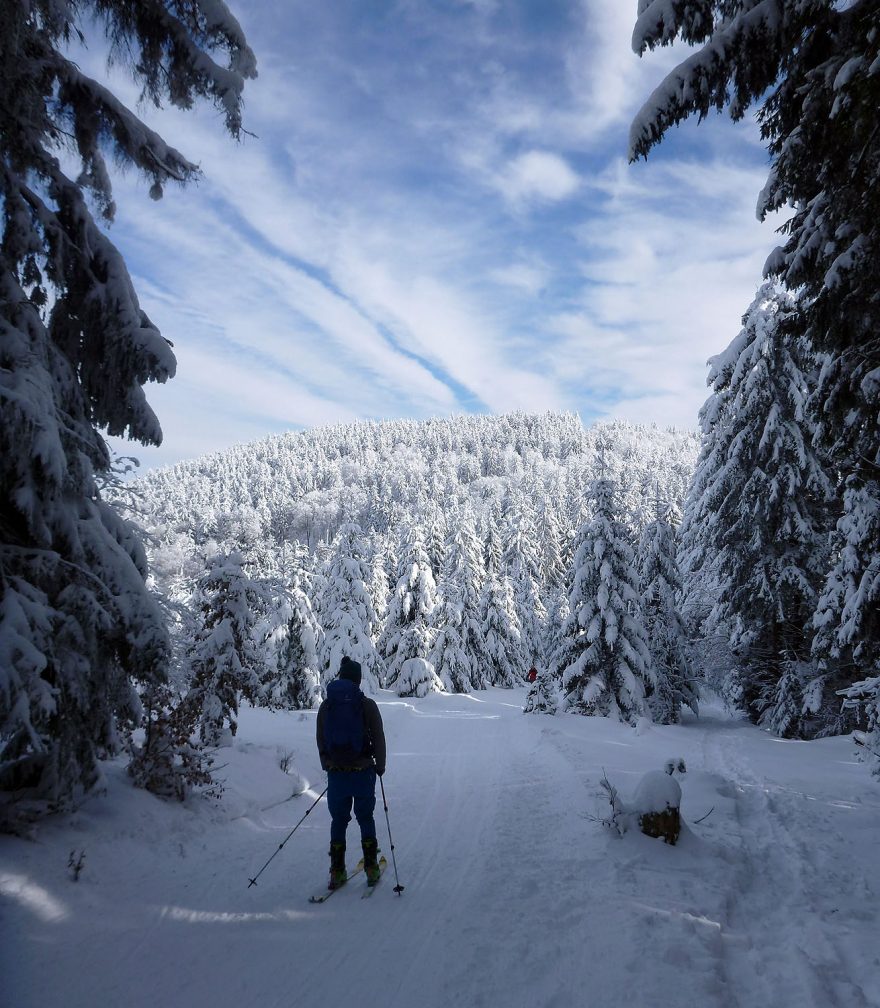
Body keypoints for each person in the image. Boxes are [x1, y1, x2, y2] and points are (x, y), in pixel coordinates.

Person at [316, 656, 386, 888]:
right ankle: (372, 869)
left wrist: (327, 763)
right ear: (358, 680)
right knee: (365, 817)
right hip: (363, 771)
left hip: (336, 774)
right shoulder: (366, 705)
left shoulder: (327, 706)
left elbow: (321, 739)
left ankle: (337, 872)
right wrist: (380, 765)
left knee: (339, 820)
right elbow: (378, 737)